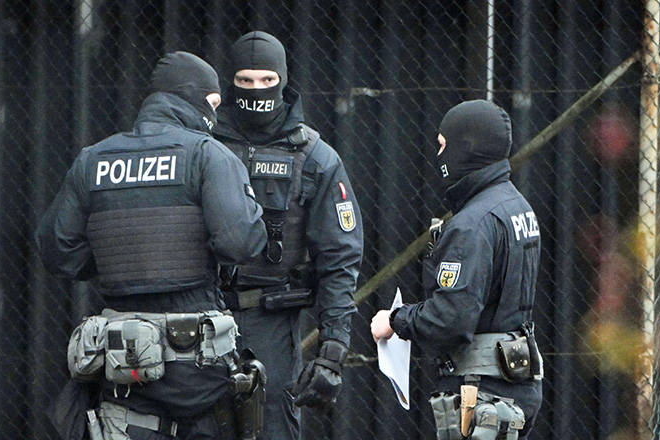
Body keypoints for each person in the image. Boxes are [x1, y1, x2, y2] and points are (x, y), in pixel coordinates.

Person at [37, 51, 268, 439]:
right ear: (191, 97)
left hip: (121, 362)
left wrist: (119, 260)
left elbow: (58, 250)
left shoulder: (94, 159)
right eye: (212, 104)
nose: (215, 115)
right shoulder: (208, 155)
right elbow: (240, 243)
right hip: (197, 367)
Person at [212, 31, 363, 439]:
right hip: (198, 316)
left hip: (270, 321)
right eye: (244, 81)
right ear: (230, 83)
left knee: (271, 425)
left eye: (266, 81)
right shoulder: (202, 143)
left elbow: (340, 259)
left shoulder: (314, 156)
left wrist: (333, 349)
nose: (256, 91)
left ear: (282, 80)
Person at [370, 100, 543, 439]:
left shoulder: (472, 224)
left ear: (467, 147)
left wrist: (395, 321)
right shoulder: (517, 206)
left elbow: (451, 318)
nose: (439, 156)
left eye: (443, 145)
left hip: (482, 392)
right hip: (517, 386)